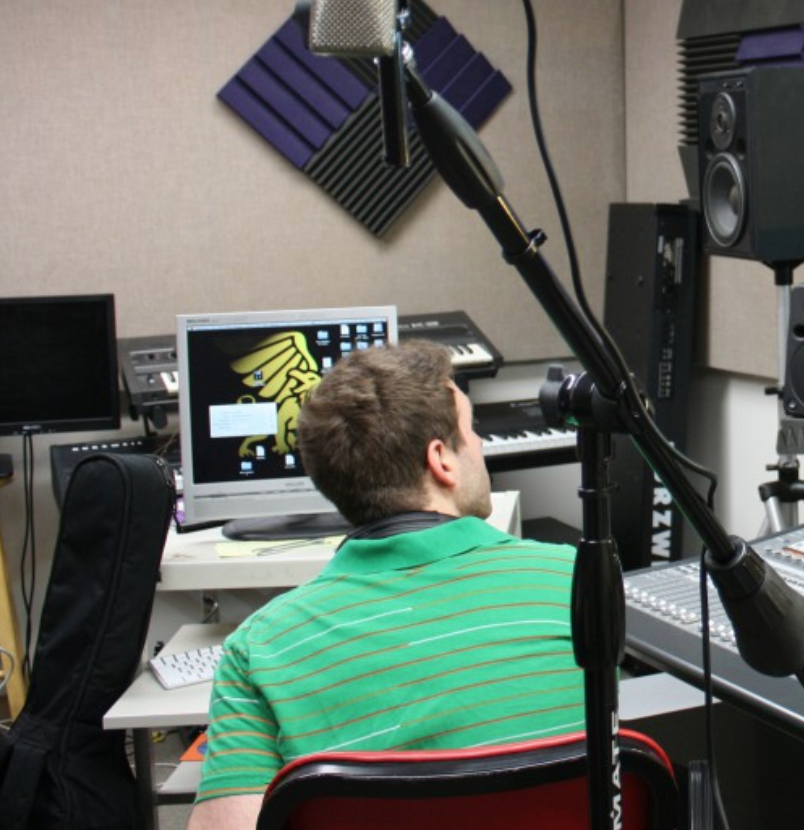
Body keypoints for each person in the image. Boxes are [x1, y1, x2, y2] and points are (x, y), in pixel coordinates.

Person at [186, 339, 584, 830]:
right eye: (471, 430)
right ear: (441, 459)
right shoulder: (574, 580)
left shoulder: (259, 647)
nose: (479, 444)